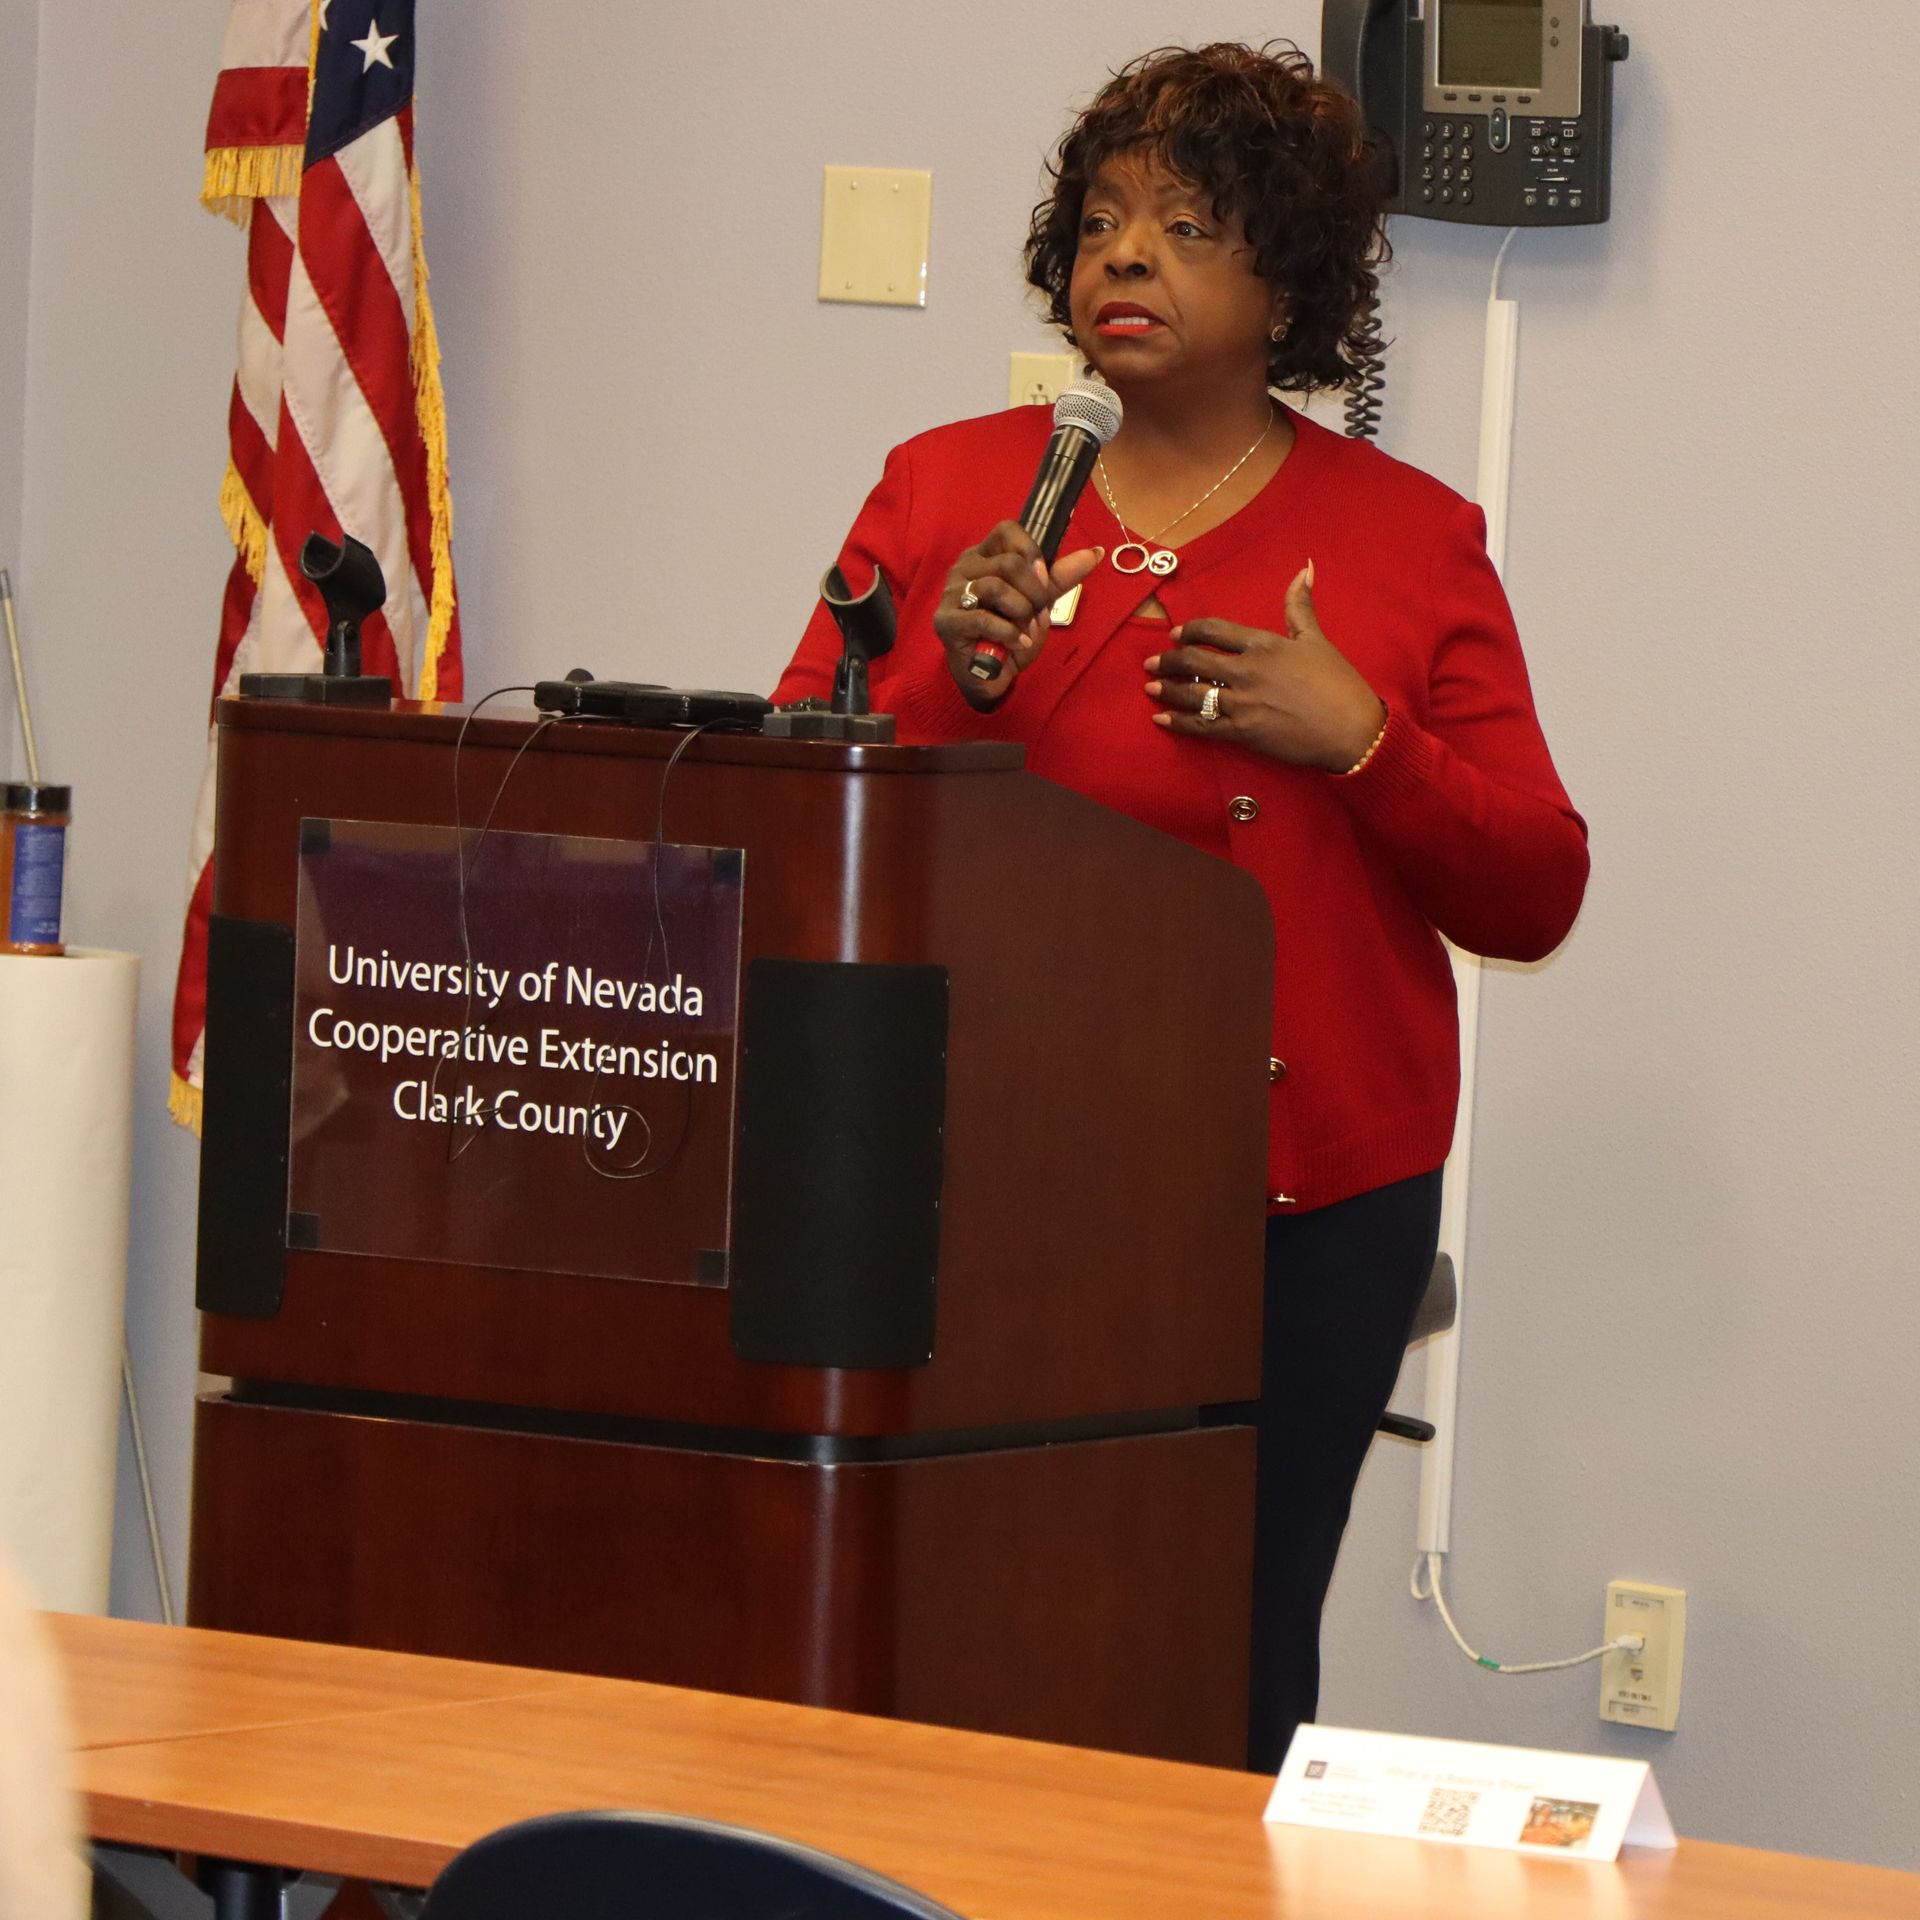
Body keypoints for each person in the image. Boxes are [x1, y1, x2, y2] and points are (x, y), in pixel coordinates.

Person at [773, 41, 1588, 1771]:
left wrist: (1355, 737)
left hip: (1301, 1204)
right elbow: (795, 810)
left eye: (1185, 224)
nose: (1121, 255)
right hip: (976, 1175)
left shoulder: (1408, 538)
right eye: (1101, 219)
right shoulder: (946, 491)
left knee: (1219, 1646)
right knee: (962, 1615)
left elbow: (1535, 887)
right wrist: (949, 670)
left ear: (1281, 281)